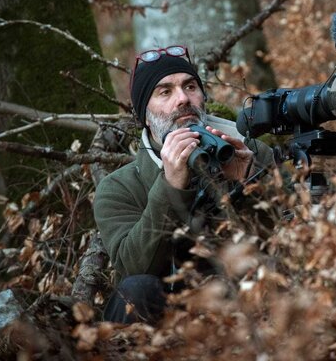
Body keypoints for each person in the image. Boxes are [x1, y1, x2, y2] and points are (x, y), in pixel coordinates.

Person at [94, 45, 274, 324]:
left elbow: (283, 241)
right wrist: (170, 185)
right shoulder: (118, 188)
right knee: (135, 290)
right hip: (166, 315)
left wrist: (247, 184)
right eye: (165, 92)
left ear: (203, 97)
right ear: (144, 115)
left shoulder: (248, 151)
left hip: (242, 304)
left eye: (190, 87)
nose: (182, 99)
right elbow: (134, 268)